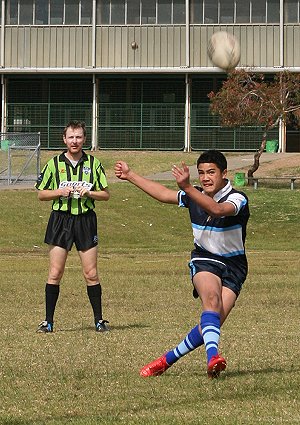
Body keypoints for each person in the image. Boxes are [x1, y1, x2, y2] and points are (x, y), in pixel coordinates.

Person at [114, 150, 249, 378]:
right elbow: (164, 194)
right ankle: (213, 358)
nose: (205, 178)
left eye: (211, 173)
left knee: (212, 324)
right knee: (212, 302)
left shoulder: (237, 198)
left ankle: (166, 360)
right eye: (202, 173)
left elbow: (216, 210)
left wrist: (187, 188)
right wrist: (130, 175)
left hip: (235, 267)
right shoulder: (193, 194)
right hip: (205, 259)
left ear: (224, 173)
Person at [35, 120, 110, 333]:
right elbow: (41, 193)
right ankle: (48, 322)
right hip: (60, 220)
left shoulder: (94, 164)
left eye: (78, 137)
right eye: (71, 137)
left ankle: (99, 320)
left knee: (91, 273)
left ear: (84, 139)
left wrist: (90, 193)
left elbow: (105, 194)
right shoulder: (53, 164)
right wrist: (59, 192)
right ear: (64, 139)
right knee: (55, 272)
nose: (75, 141)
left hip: (86, 220)